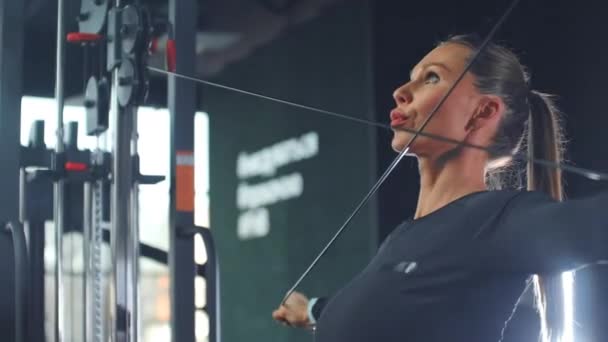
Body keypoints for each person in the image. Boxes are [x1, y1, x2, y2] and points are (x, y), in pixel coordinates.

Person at [271, 33, 608, 342]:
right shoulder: (405, 236)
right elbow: (393, 311)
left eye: (431, 77)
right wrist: (312, 309)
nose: (400, 91)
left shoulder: (497, 220)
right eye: (413, 76)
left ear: (482, 112)